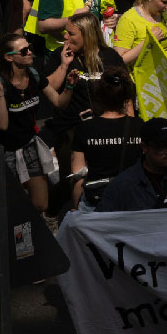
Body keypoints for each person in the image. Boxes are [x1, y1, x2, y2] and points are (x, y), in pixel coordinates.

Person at [40, 12, 124, 213]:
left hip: (104, 127)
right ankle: (56, 214)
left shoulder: (110, 57)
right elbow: (48, 88)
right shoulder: (61, 56)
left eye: (71, 34)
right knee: (72, 179)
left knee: (102, 175)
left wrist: (127, 121)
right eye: (66, 33)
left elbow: (125, 93)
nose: (65, 38)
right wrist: (64, 65)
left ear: (87, 34)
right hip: (70, 128)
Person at [0, 32, 72, 213]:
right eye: (24, 51)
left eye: (30, 48)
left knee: (41, 203)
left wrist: (69, 83)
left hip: (29, 147)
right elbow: (1, 125)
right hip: (6, 150)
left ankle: (24, 226)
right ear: (9, 58)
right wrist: (1, 93)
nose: (30, 52)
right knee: (7, 204)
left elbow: (58, 101)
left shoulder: (33, 74)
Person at [70, 69, 141, 212]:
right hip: (134, 201)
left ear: (99, 95)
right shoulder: (140, 126)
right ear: (127, 97)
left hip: (96, 205)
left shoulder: (85, 128)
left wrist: (77, 210)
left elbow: (78, 175)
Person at [112, 0, 167, 67]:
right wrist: (148, 41)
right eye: (164, 2)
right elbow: (119, 60)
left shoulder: (163, 14)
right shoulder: (129, 20)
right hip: (138, 78)